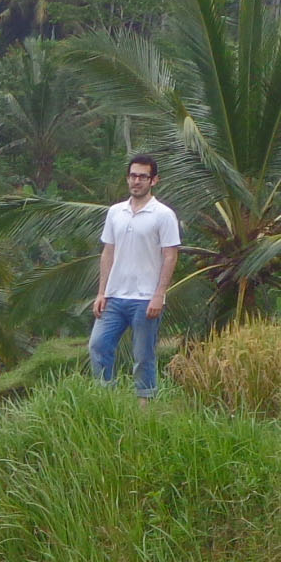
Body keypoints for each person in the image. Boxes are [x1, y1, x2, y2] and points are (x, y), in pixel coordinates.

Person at [90, 153, 178, 398]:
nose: (136, 181)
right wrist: (101, 292)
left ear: (154, 180)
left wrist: (159, 295)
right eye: (132, 176)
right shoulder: (115, 212)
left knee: (143, 355)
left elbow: (170, 256)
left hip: (145, 299)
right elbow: (108, 252)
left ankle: (144, 405)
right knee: (99, 345)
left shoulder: (163, 214)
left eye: (142, 177)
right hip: (114, 297)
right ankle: (105, 397)